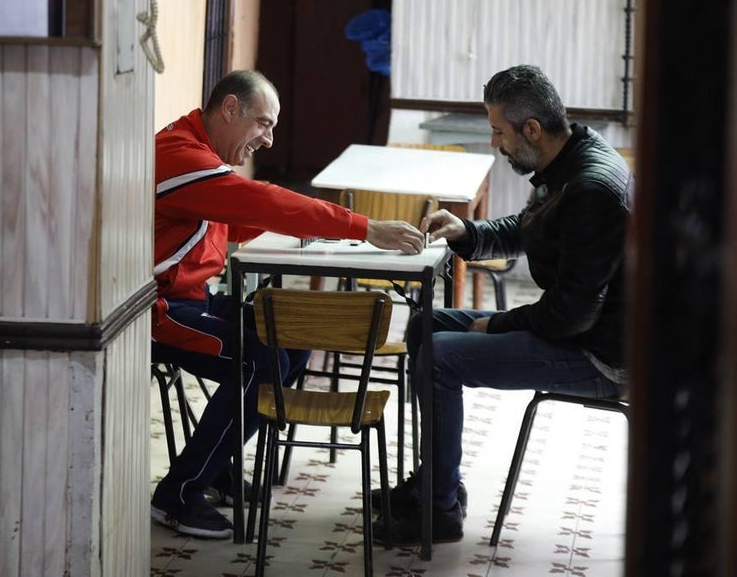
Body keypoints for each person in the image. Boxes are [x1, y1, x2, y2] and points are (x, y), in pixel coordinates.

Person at [150, 69, 425, 538]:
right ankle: (180, 491)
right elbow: (260, 203)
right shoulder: (180, 154)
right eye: (263, 123)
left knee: (293, 342)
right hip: (156, 313)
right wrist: (363, 227)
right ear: (230, 109)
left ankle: (214, 468)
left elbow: (235, 222)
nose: (269, 140)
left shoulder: (202, 158)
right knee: (263, 361)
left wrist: (310, 223)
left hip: (192, 299)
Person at [371, 64, 632, 544]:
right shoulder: (569, 157)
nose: (495, 143)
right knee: (424, 326)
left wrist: (493, 326)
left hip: (599, 354)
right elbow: (531, 228)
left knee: (442, 357)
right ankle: (437, 484)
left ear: (531, 128)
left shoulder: (591, 187)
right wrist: (467, 233)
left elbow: (571, 315)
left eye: (498, 131)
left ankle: (440, 511)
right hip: (573, 328)